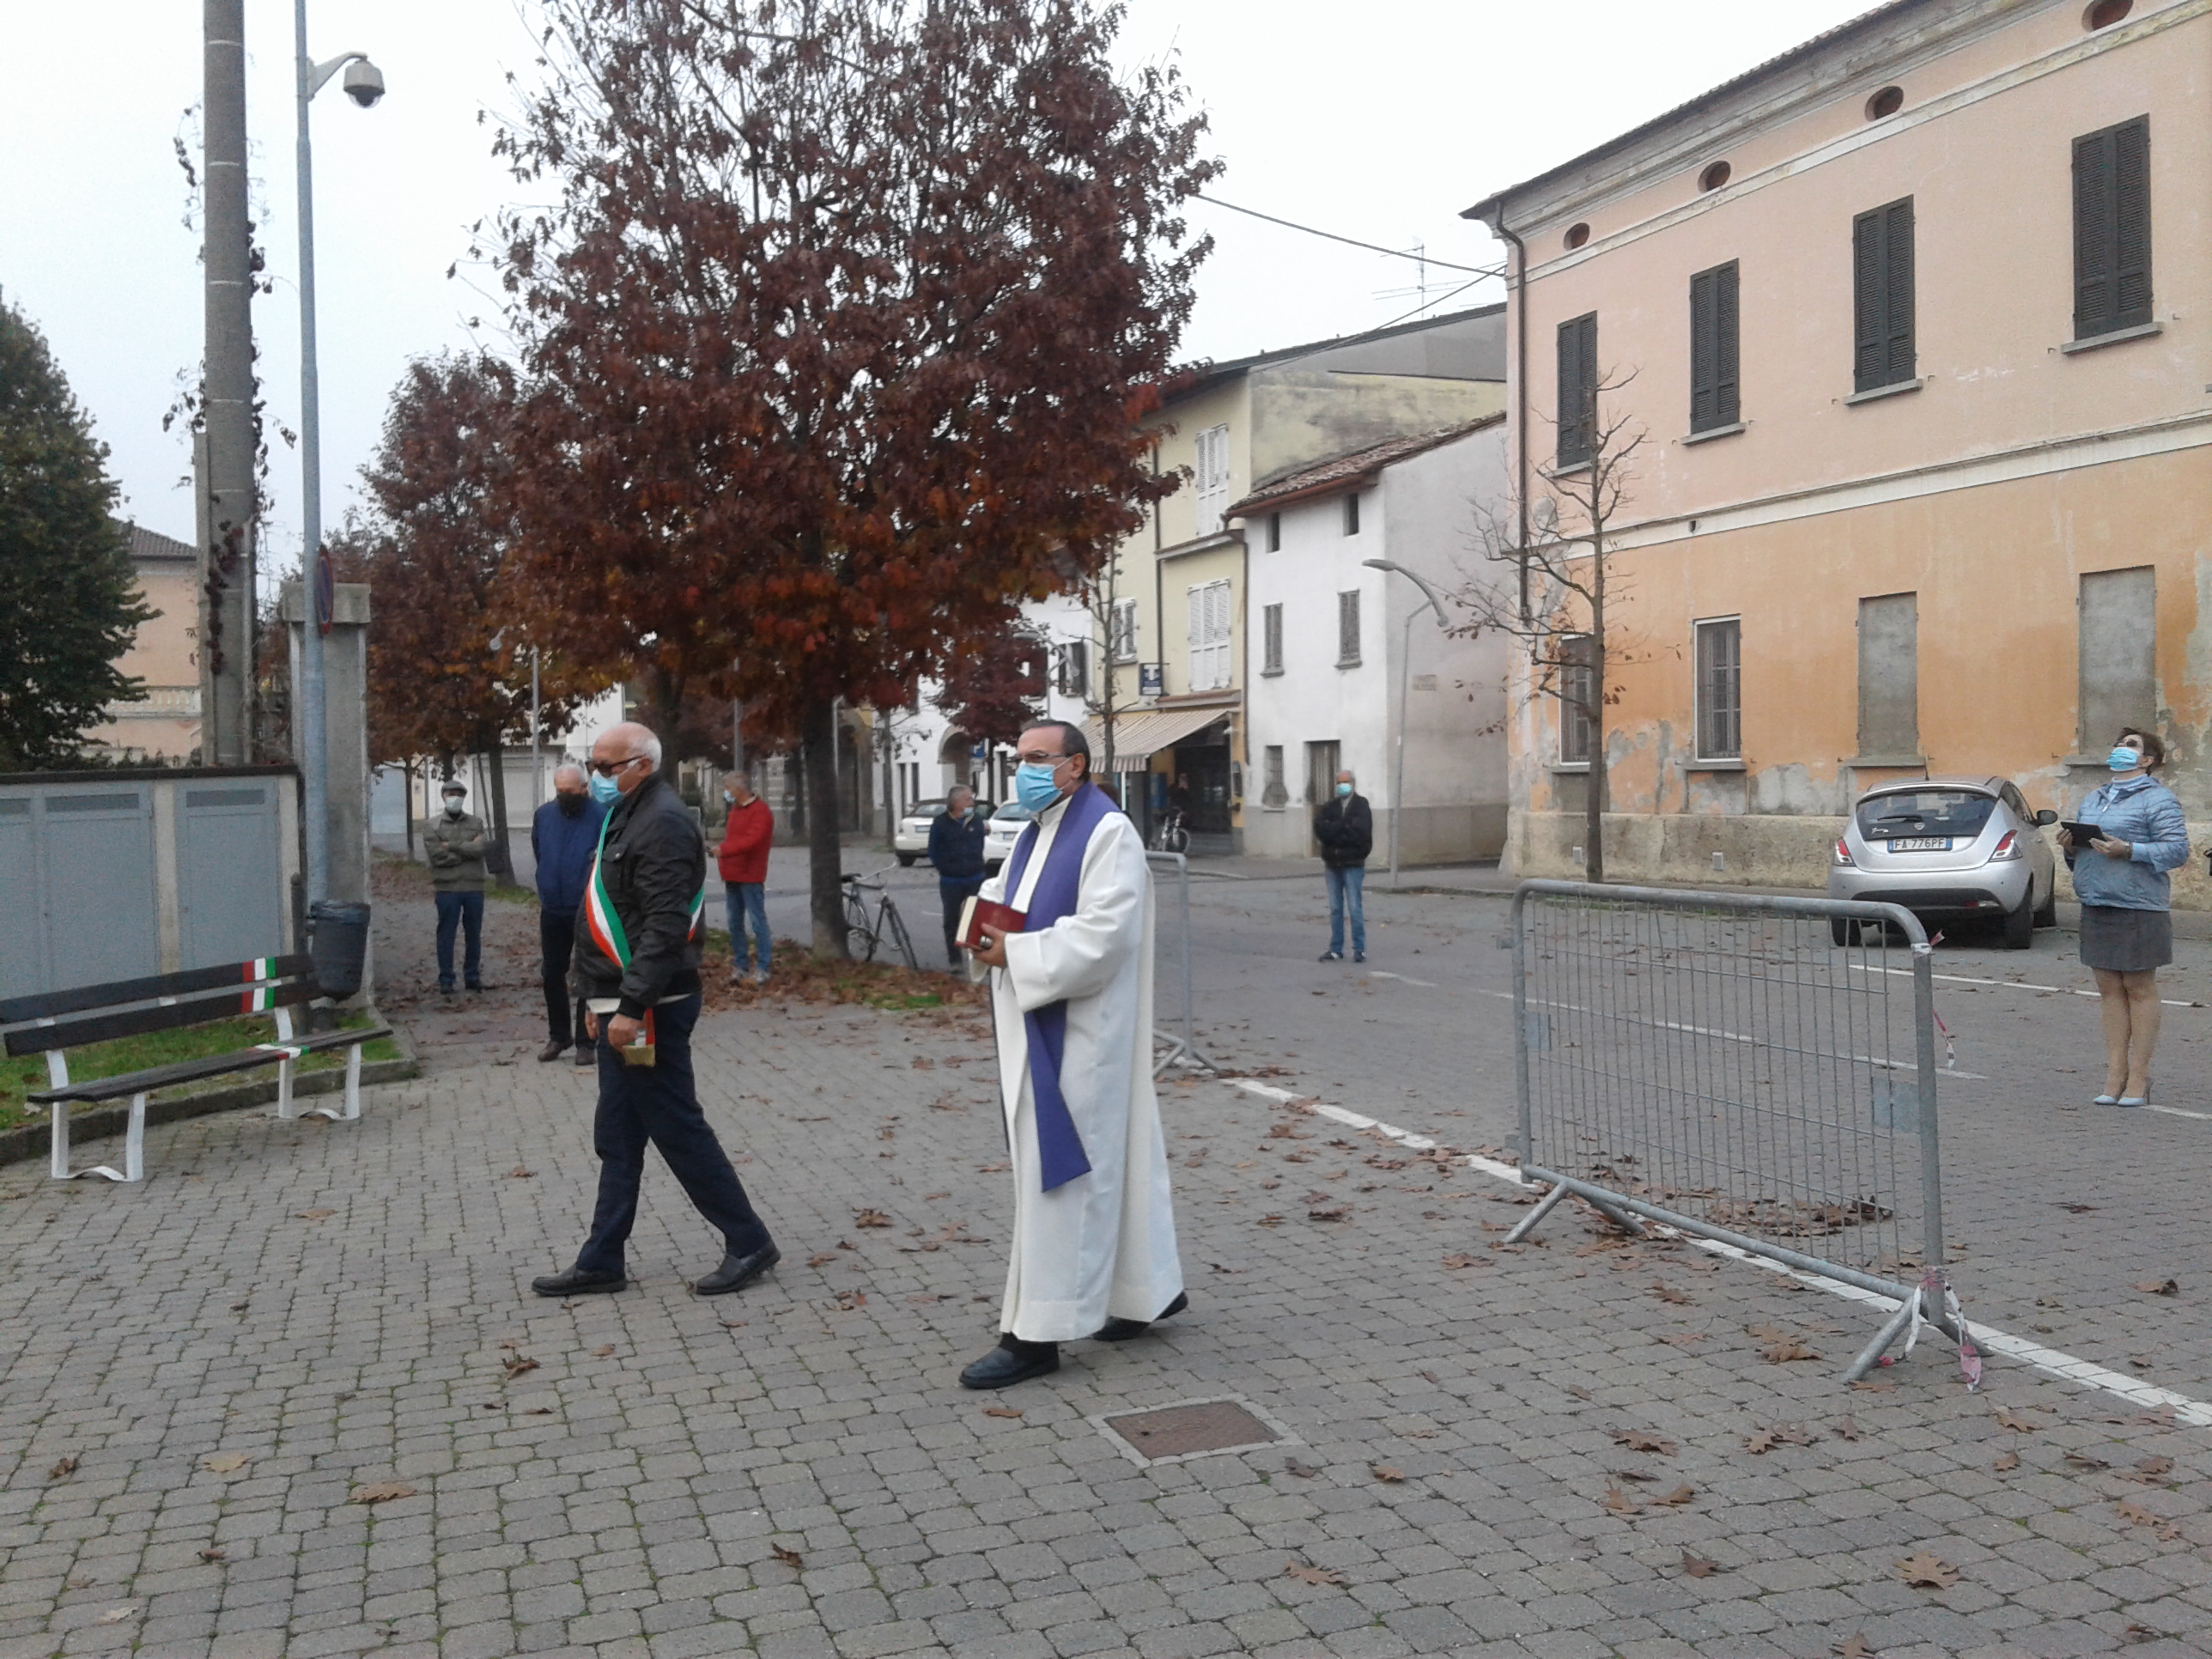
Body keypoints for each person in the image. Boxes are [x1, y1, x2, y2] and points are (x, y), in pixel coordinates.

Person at [961, 720, 1186, 1388]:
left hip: (1084, 1032)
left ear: (1076, 766)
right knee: (1118, 1160)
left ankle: (1037, 1333)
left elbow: (1105, 936)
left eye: (1038, 758)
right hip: (1046, 1022)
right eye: (1020, 758)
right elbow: (1006, 902)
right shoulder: (1037, 832)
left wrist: (1018, 952)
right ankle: (1146, 1291)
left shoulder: (1107, 832)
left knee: (1061, 1179)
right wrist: (981, 926)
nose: (1024, 769)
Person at [532, 722, 781, 1299]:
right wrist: (595, 999)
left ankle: (748, 1241)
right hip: (622, 1000)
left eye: (606, 767)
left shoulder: (662, 820)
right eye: (592, 766)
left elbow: (665, 925)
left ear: (642, 764)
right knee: (618, 1133)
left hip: (651, 1008)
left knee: (675, 1125)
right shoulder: (628, 812)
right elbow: (607, 912)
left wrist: (630, 1005)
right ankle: (602, 1259)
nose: (597, 777)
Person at [2057, 729, 2188, 1108]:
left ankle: (2140, 1076)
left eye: (2131, 745)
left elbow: (2177, 850)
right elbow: (2084, 853)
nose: (2121, 749)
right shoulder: (2095, 798)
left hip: (2139, 903)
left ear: (2148, 760)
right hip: (2096, 899)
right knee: (2108, 988)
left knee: (2138, 986)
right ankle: (2115, 1074)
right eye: (2119, 743)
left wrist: (2129, 850)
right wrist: (2070, 848)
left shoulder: (2159, 799)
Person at [530, 764, 606, 1065]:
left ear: (584, 788)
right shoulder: (544, 815)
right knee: (552, 972)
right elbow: (539, 850)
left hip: (587, 907)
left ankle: (587, 1041)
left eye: (569, 791)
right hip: (553, 906)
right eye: (559, 790)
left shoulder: (602, 816)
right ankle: (559, 1035)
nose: (564, 796)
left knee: (586, 973)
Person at [423, 780, 489, 993]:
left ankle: (472, 976)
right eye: (450, 794)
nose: (455, 798)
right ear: (443, 796)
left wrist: (451, 846)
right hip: (447, 888)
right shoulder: (432, 825)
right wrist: (467, 851)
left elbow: (480, 849)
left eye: (459, 794)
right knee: (446, 934)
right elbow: (437, 857)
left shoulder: (476, 822)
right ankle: (446, 979)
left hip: (473, 887)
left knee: (473, 934)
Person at [716, 773, 774, 985]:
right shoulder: (735, 810)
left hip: (751, 875)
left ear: (739, 789)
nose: (726, 792)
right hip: (732, 874)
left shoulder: (760, 811)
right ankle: (741, 966)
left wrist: (724, 850)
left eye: (728, 787)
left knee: (758, 922)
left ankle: (763, 967)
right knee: (734, 922)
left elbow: (752, 841)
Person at [1313, 768, 1372, 963]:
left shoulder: (1361, 805)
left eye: (1345, 782)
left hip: (1353, 863)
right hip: (1332, 863)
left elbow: (1360, 834)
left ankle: (1359, 949)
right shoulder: (1330, 806)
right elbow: (1320, 828)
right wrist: (1343, 827)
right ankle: (1335, 949)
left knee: (1355, 907)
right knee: (1335, 908)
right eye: (1339, 782)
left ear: (1353, 784)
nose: (1342, 786)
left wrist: (1335, 831)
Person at [929, 784, 988, 968]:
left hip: (974, 878)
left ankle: (978, 957)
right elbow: (933, 850)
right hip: (951, 880)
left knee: (976, 919)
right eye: (968, 799)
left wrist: (977, 864)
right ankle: (955, 959)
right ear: (956, 802)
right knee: (952, 920)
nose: (972, 802)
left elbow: (980, 842)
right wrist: (944, 868)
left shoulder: (976, 819)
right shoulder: (941, 823)